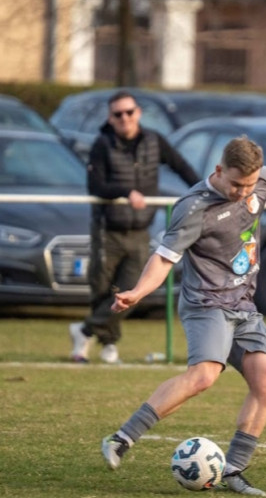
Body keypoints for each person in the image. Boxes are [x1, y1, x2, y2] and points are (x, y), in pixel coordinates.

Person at [101, 136, 266, 496]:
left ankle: (233, 470)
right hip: (206, 303)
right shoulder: (193, 207)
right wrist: (139, 292)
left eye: (248, 185)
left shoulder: (260, 180)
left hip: (244, 306)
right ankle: (121, 438)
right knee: (204, 376)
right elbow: (163, 258)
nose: (242, 192)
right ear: (218, 171)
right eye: (236, 184)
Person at [69, 91, 199, 364]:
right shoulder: (102, 145)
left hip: (140, 231)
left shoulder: (154, 141)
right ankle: (108, 344)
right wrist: (126, 191)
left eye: (129, 112)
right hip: (108, 230)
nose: (124, 118)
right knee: (103, 290)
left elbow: (181, 166)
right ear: (110, 118)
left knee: (133, 289)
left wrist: (203, 191)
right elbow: (96, 186)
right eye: (118, 114)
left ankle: (83, 331)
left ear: (138, 113)